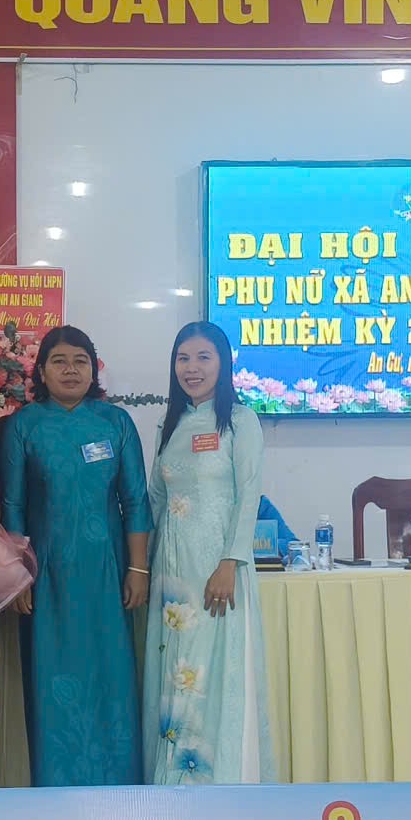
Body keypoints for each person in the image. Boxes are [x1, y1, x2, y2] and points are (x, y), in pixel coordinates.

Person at [0, 325, 152, 787]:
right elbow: (13, 505)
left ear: (93, 369)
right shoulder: (24, 425)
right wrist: (17, 575)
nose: (70, 370)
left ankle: (120, 788)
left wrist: (138, 568)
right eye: (60, 361)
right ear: (41, 371)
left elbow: (136, 501)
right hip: (47, 577)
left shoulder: (115, 423)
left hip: (108, 575)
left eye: (80, 361)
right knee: (52, 680)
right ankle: (55, 790)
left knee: (112, 676)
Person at [144, 322, 273, 786]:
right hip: (173, 574)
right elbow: (155, 499)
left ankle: (221, 781)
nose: (192, 368)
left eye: (204, 357)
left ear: (223, 364)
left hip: (219, 571)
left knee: (214, 670)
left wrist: (230, 562)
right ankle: (172, 779)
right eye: (183, 358)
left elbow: (249, 494)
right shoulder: (168, 425)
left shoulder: (240, 420)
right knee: (175, 669)